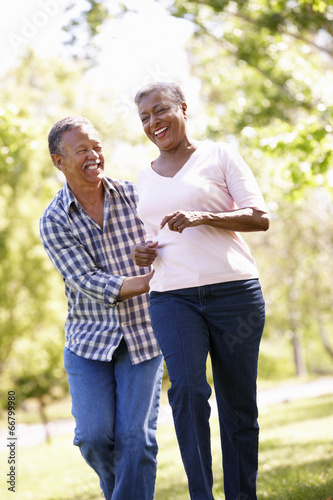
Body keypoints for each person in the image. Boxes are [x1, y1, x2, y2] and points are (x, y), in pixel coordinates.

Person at [132, 82, 270, 500]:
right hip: (172, 296)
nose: (153, 123)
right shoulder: (143, 177)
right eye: (144, 118)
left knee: (238, 405)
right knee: (188, 391)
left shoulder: (220, 155)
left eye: (160, 111)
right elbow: (156, 235)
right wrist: (144, 252)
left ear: (183, 109)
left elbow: (259, 217)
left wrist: (203, 216)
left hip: (234, 294)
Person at [39, 116, 163, 500]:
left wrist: (157, 256)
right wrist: (146, 282)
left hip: (143, 335)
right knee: (93, 437)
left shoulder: (137, 196)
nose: (94, 155)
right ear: (59, 162)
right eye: (82, 150)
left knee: (135, 439)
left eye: (97, 146)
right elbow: (86, 281)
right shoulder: (54, 220)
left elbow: (169, 245)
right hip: (88, 341)